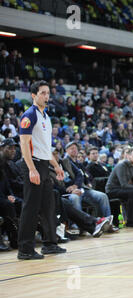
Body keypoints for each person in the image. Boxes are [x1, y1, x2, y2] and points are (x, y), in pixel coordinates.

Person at [17, 80, 66, 260]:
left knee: (48, 206)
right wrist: (31, 169)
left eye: (47, 93)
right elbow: (24, 144)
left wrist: (56, 166)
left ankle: (50, 244)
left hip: (44, 164)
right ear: (33, 95)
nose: (46, 96)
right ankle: (25, 249)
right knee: (30, 207)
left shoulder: (45, 116)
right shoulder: (29, 115)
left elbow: (46, 148)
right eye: (42, 93)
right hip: (33, 164)